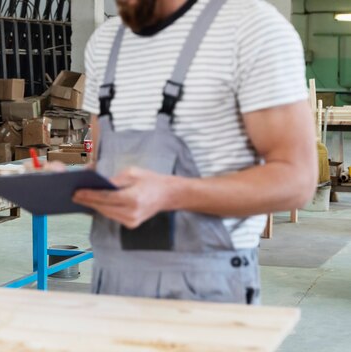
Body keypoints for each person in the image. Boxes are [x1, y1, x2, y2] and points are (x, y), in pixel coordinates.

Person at [71, 0, 317, 304]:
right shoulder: (105, 42)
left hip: (205, 284)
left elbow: (298, 180)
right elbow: (108, 166)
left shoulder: (251, 27)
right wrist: (73, 183)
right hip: (113, 277)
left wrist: (171, 194)